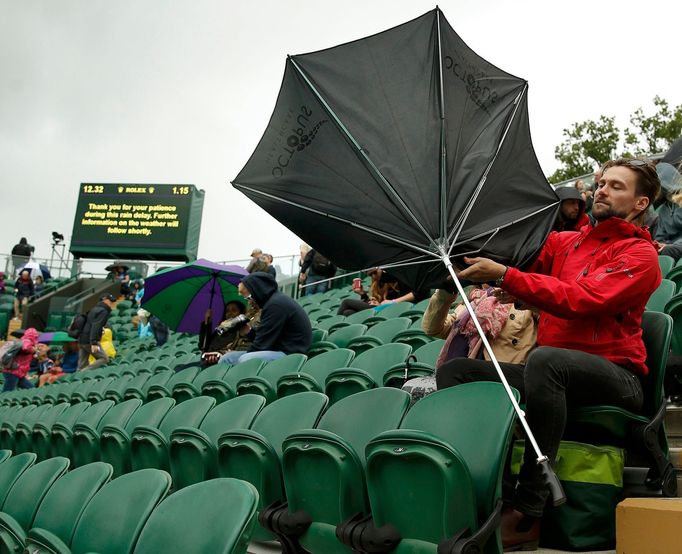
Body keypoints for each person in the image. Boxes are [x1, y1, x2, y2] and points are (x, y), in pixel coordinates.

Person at [436, 158, 661, 551]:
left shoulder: (641, 256)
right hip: (554, 373)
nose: (603, 190)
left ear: (641, 204)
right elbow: (516, 255)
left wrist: (510, 278)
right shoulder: (564, 242)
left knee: (546, 358)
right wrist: (461, 244)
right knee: (457, 371)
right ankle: (480, 494)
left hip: (617, 378)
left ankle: (527, 511)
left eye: (617, 186)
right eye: (602, 183)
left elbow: (583, 298)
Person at [402, 284, 537, 403]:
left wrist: (518, 295)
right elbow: (433, 329)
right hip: (474, 371)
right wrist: (445, 292)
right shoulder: (472, 302)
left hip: (512, 374)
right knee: (451, 370)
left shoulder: (523, 297)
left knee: (453, 369)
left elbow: (549, 314)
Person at [219, 272, 312, 365]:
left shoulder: (275, 305)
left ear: (257, 291)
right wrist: (248, 331)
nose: (249, 302)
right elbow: (264, 339)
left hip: (290, 354)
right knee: (226, 358)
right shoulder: (272, 303)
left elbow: (261, 346)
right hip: (275, 350)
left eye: (249, 298)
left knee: (246, 359)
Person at [337, 267, 425, 316]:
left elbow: (417, 293)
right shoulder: (378, 283)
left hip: (391, 308)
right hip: (382, 308)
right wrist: (363, 294)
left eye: (374, 272)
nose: (374, 276)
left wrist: (392, 302)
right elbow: (376, 303)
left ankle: (333, 331)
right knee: (348, 312)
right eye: (371, 275)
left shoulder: (392, 278)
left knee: (346, 302)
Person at [199, 300, 256, 366]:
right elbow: (203, 346)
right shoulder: (221, 330)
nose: (229, 313)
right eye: (227, 311)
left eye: (234, 310)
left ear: (241, 313)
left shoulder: (246, 330)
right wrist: (207, 323)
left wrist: (222, 354)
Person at [78, 293, 116, 371]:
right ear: (104, 300)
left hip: (82, 339)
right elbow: (96, 326)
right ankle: (82, 373)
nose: (112, 303)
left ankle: (78, 379)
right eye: (110, 301)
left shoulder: (94, 309)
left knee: (82, 364)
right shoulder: (103, 311)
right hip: (89, 340)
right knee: (104, 359)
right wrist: (94, 342)